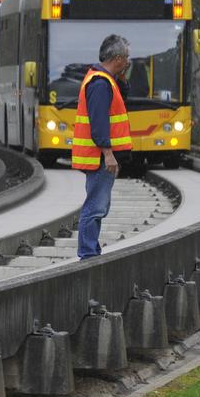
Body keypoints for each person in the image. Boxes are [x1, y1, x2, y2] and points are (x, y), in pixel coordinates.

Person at [71, 34, 132, 259]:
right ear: (117, 58)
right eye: (126, 58)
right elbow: (99, 123)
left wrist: (123, 78)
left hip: (99, 156)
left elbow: (122, 101)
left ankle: (91, 250)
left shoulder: (107, 81)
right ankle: (88, 253)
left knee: (99, 205)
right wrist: (108, 153)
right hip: (98, 157)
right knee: (95, 206)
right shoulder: (99, 84)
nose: (128, 61)